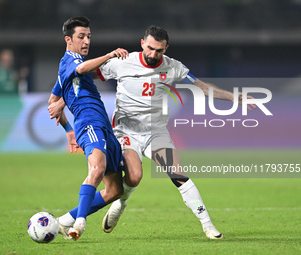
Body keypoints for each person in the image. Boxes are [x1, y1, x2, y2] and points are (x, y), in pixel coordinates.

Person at [49, 26, 256, 239]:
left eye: (159, 50)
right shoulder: (123, 61)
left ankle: (208, 225)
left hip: (156, 132)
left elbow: (202, 87)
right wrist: (62, 101)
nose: (153, 54)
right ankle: (121, 203)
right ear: (142, 43)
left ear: (166, 48)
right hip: (126, 131)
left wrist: (233, 98)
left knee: (177, 174)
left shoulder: (173, 67)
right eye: (150, 48)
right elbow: (79, 77)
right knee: (134, 177)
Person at [47, 16, 128, 241]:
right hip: (89, 122)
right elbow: (82, 68)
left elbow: (52, 102)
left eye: (89, 37)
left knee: (115, 190)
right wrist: (110, 55)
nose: (86, 41)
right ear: (68, 40)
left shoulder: (65, 69)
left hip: (103, 125)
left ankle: (64, 220)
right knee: (97, 168)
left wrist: (68, 130)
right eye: (81, 37)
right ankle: (80, 222)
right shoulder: (70, 61)